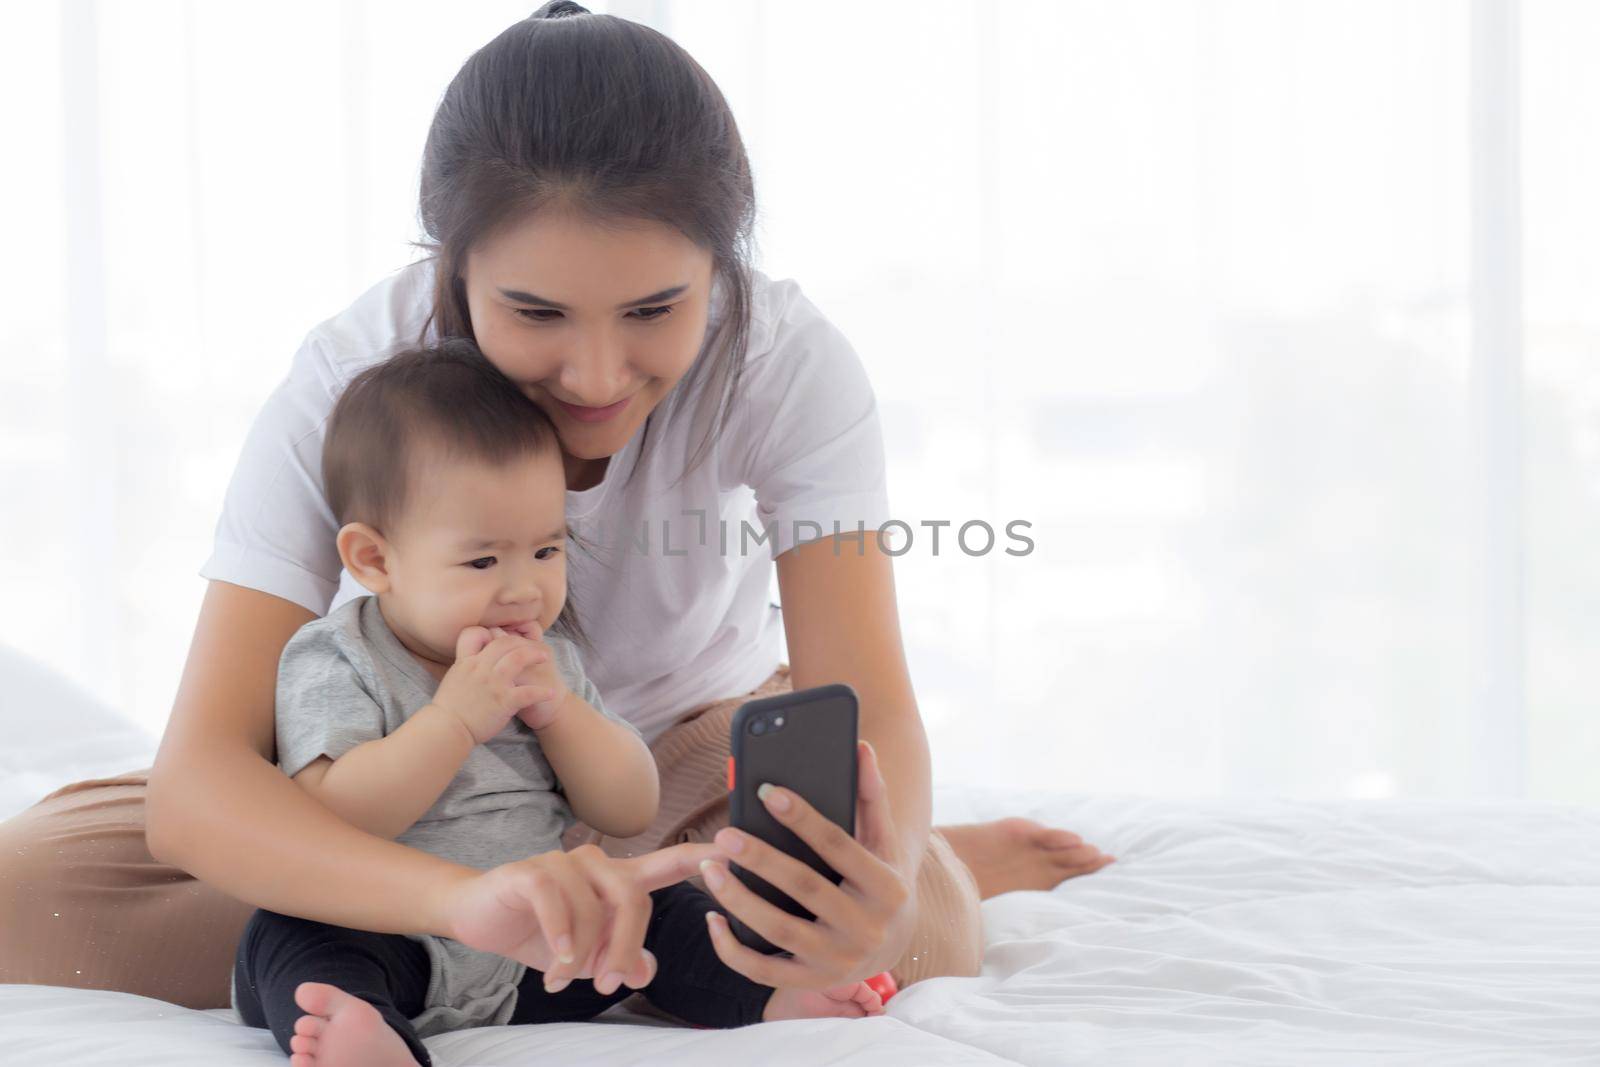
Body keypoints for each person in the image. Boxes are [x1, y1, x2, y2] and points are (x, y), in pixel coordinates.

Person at [0, 1, 1113, 1015]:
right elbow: (200, 786)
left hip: (674, 758)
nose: (593, 374)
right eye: (534, 311)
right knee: (21, 901)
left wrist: (885, 862)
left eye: (653, 309)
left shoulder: (786, 362)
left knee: (908, 936)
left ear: (720, 269)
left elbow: (867, 700)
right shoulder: (355, 377)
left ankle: (929, 857)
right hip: (411, 774)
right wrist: (457, 896)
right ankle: (576, 919)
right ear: (453, 264)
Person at [232, 343, 882, 1067]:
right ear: (374, 559)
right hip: (388, 931)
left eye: (547, 550)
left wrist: (563, 715)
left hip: (539, 945)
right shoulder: (338, 656)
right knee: (288, 935)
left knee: (662, 911)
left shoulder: (550, 662)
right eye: (482, 560)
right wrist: (453, 722)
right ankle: (371, 1031)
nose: (524, 588)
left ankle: (764, 995)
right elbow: (334, 817)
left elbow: (628, 809)